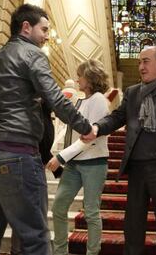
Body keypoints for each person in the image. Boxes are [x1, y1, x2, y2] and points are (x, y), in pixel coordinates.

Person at [0, 4, 94, 255]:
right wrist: (85, 126)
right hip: (18, 154)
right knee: (34, 237)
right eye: (44, 29)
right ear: (26, 27)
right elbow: (55, 98)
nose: (47, 35)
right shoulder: (33, 55)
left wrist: (3, 112)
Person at [83, 46, 156, 255]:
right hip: (136, 168)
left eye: (146, 61)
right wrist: (97, 127)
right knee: (133, 226)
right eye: (139, 62)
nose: (141, 67)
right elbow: (117, 117)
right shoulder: (133, 92)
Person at [46, 59, 110, 255]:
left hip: (94, 163)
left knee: (91, 212)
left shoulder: (99, 100)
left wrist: (61, 157)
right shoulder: (82, 100)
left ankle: (92, 252)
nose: (77, 79)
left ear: (90, 78)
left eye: (80, 75)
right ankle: (60, 252)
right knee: (58, 207)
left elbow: (90, 137)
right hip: (75, 164)